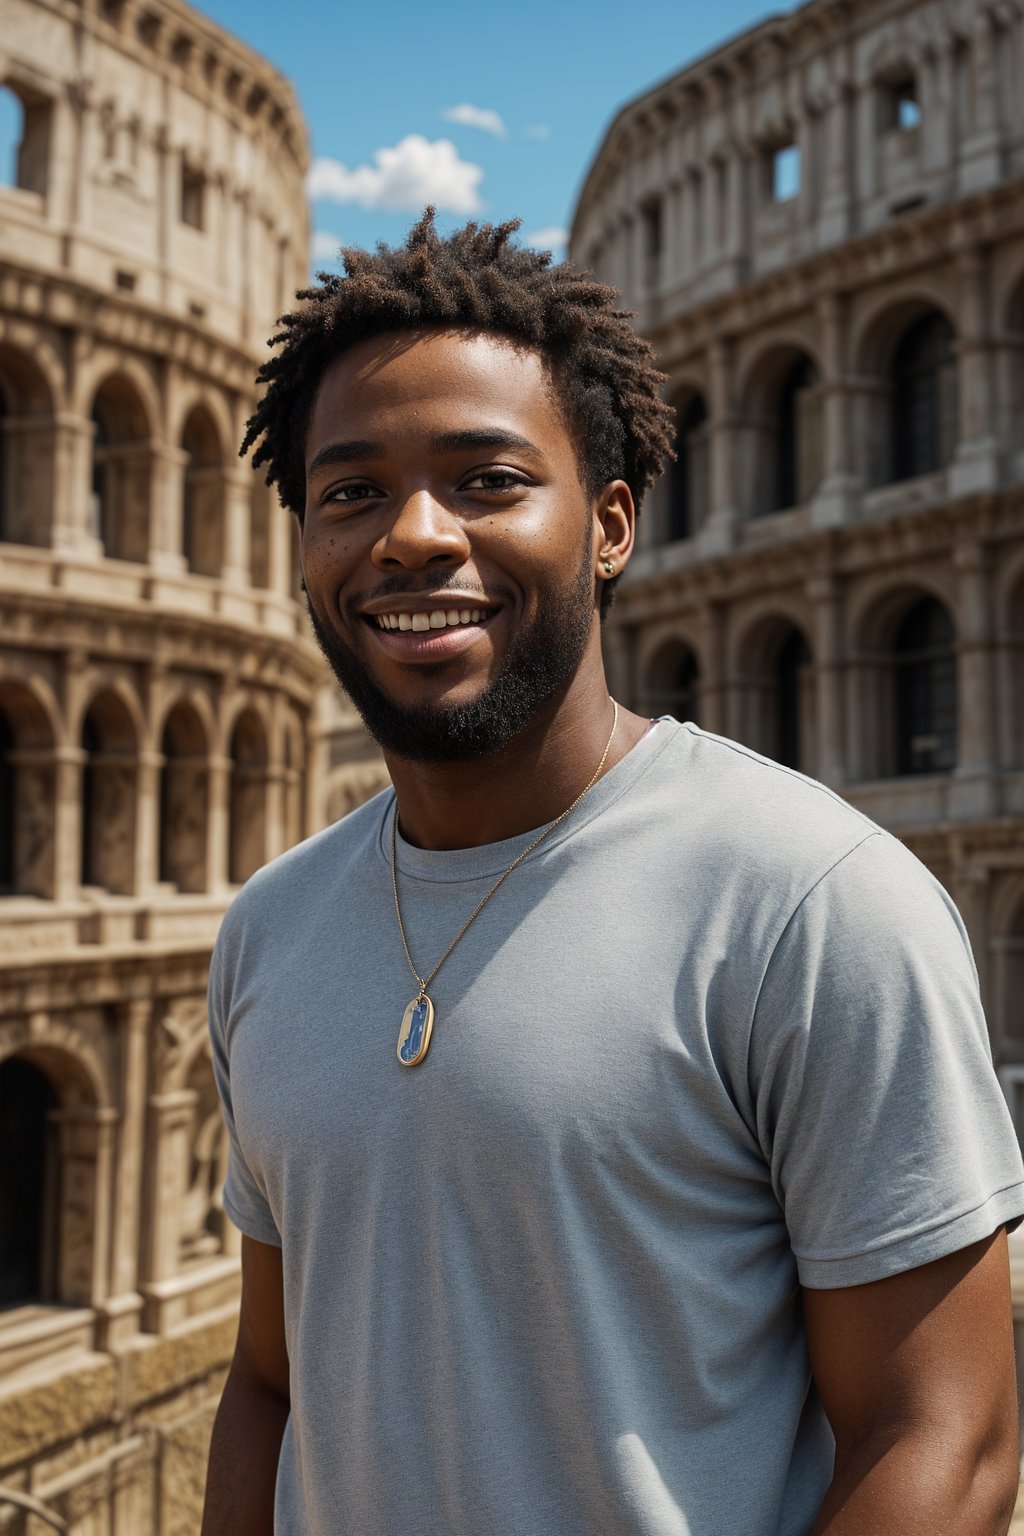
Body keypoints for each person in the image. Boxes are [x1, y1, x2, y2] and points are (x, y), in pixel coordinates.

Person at [201, 211, 1024, 1536]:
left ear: (611, 525)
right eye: (348, 492)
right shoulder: (268, 929)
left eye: (486, 479)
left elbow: (949, 1440)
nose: (413, 534)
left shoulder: (815, 904)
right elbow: (267, 1381)